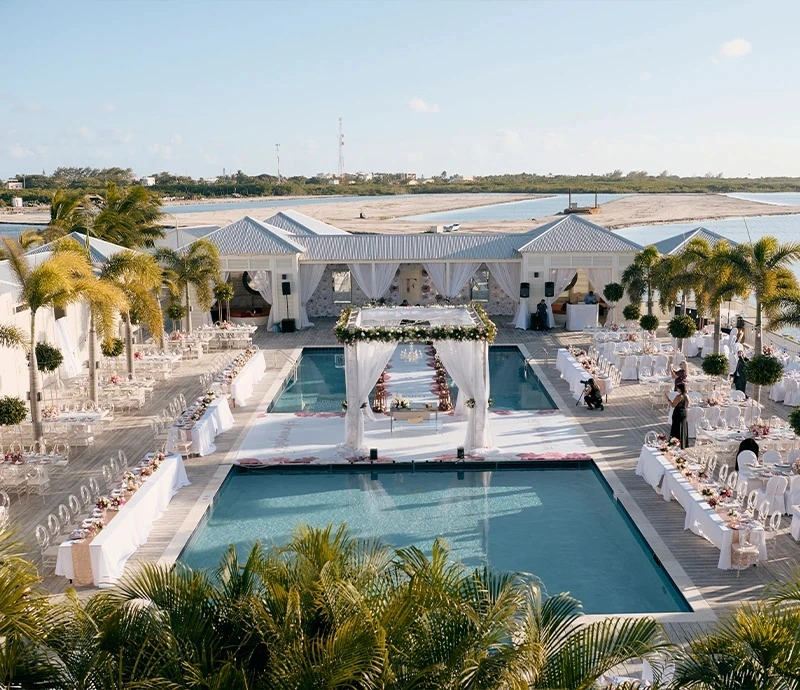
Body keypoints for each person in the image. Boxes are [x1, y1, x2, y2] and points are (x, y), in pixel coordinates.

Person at [666, 382, 689, 449]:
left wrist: (667, 399)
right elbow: (687, 405)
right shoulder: (686, 396)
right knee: (683, 428)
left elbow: (673, 405)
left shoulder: (679, 396)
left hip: (678, 413)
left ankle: (674, 442)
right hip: (684, 412)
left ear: (680, 389)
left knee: (676, 428)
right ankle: (683, 444)